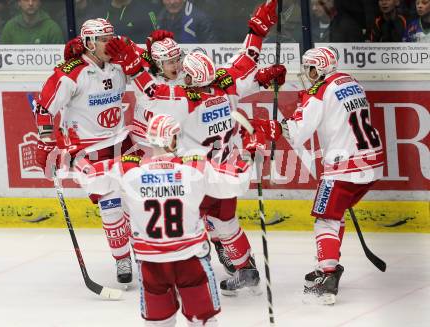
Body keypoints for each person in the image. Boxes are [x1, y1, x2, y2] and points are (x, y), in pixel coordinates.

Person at [116, 0, 285, 295]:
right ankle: (246, 269)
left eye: (181, 62)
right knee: (227, 223)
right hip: (230, 171)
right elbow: (246, 59)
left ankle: (192, 275)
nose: (178, 67)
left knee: (189, 226)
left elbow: (150, 92)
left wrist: (132, 67)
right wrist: (257, 30)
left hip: (198, 175)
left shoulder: (180, 98)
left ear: (192, 76)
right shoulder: (225, 85)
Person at [78, 113, 255, 326]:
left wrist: (74, 157)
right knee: (202, 320)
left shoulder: (128, 169)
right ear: (172, 139)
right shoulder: (194, 167)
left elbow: (89, 178)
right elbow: (238, 181)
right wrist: (251, 149)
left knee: (158, 323)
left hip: (151, 264)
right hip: (190, 259)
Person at [241, 47, 384, 304]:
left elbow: (298, 132)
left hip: (345, 166)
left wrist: (275, 126)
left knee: (325, 219)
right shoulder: (351, 81)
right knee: (335, 214)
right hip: (372, 163)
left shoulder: (319, 91)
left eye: (308, 68)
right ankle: (324, 265)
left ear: (317, 68)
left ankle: (328, 276)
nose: (306, 74)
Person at [33, 18, 142, 284]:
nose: (110, 43)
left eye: (111, 37)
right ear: (89, 43)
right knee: (111, 205)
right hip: (87, 149)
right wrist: (46, 142)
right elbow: (44, 107)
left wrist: (134, 51)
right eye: (103, 39)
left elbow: (150, 71)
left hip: (123, 142)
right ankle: (122, 259)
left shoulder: (118, 64)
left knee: (138, 200)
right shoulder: (71, 73)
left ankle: (144, 251)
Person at [95, 0, 161, 43]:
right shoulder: (97, 12)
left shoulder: (147, 11)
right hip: (105, 61)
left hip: (136, 59)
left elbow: (154, 43)